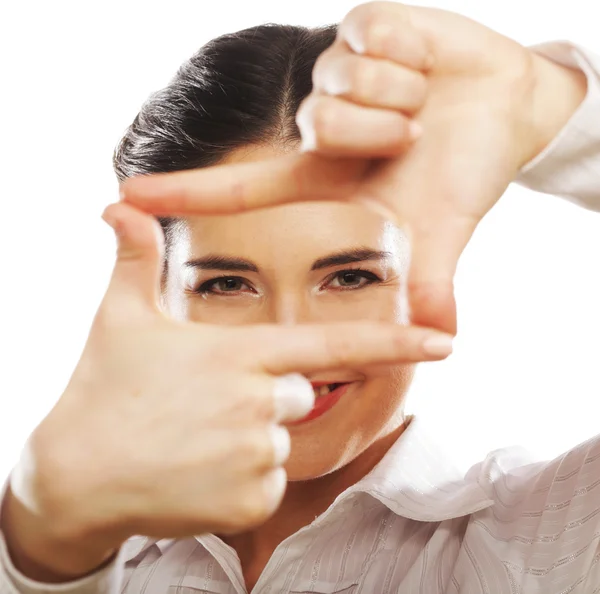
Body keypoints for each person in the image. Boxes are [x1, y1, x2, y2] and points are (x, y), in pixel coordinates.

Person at [0, 1, 598, 592]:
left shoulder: (548, 540)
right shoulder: (64, 546)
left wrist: (554, 111)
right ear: (158, 296)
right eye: (227, 284)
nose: (289, 346)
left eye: (350, 277)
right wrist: (42, 555)